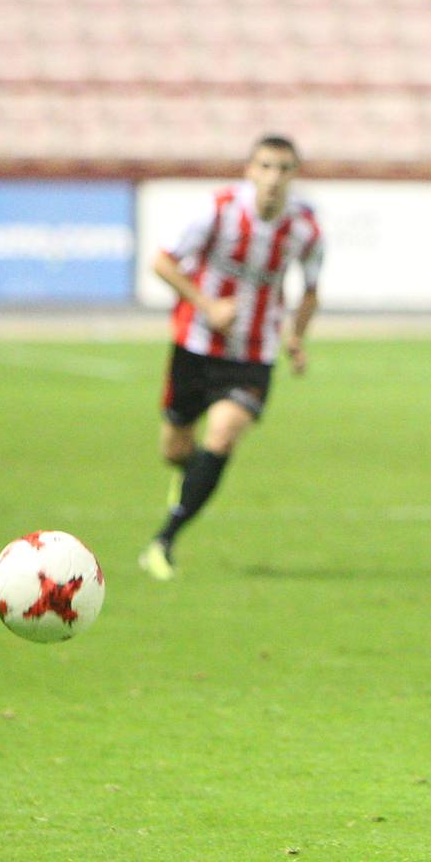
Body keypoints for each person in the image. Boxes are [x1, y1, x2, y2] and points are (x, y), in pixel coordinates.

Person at [138, 134, 323, 580]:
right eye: (265, 167)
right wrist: (207, 305)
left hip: (253, 355)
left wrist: (296, 336)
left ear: (295, 175)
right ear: (249, 170)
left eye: (284, 169)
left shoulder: (305, 230)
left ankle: (163, 541)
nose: (274, 178)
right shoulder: (217, 210)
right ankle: (189, 480)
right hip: (196, 346)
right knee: (176, 450)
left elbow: (310, 289)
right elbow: (163, 263)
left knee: (222, 435)